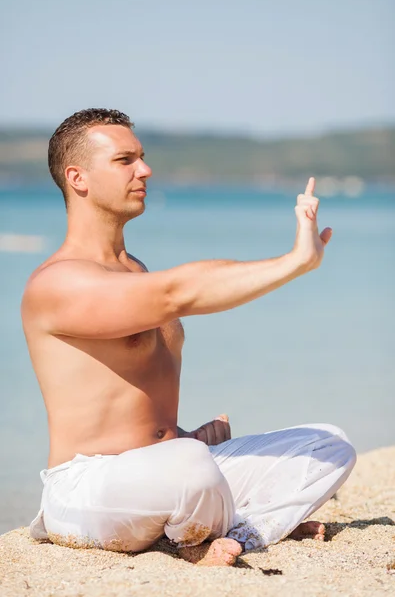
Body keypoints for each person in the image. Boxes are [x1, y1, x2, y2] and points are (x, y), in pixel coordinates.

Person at [24, 108, 356, 567]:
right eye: (125, 160)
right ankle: (218, 532)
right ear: (77, 177)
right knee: (190, 468)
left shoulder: (134, 269)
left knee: (327, 445)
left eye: (141, 157)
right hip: (88, 489)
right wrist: (294, 262)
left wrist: (184, 435)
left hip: (170, 470)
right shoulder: (58, 284)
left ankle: (235, 527)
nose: (145, 170)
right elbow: (179, 291)